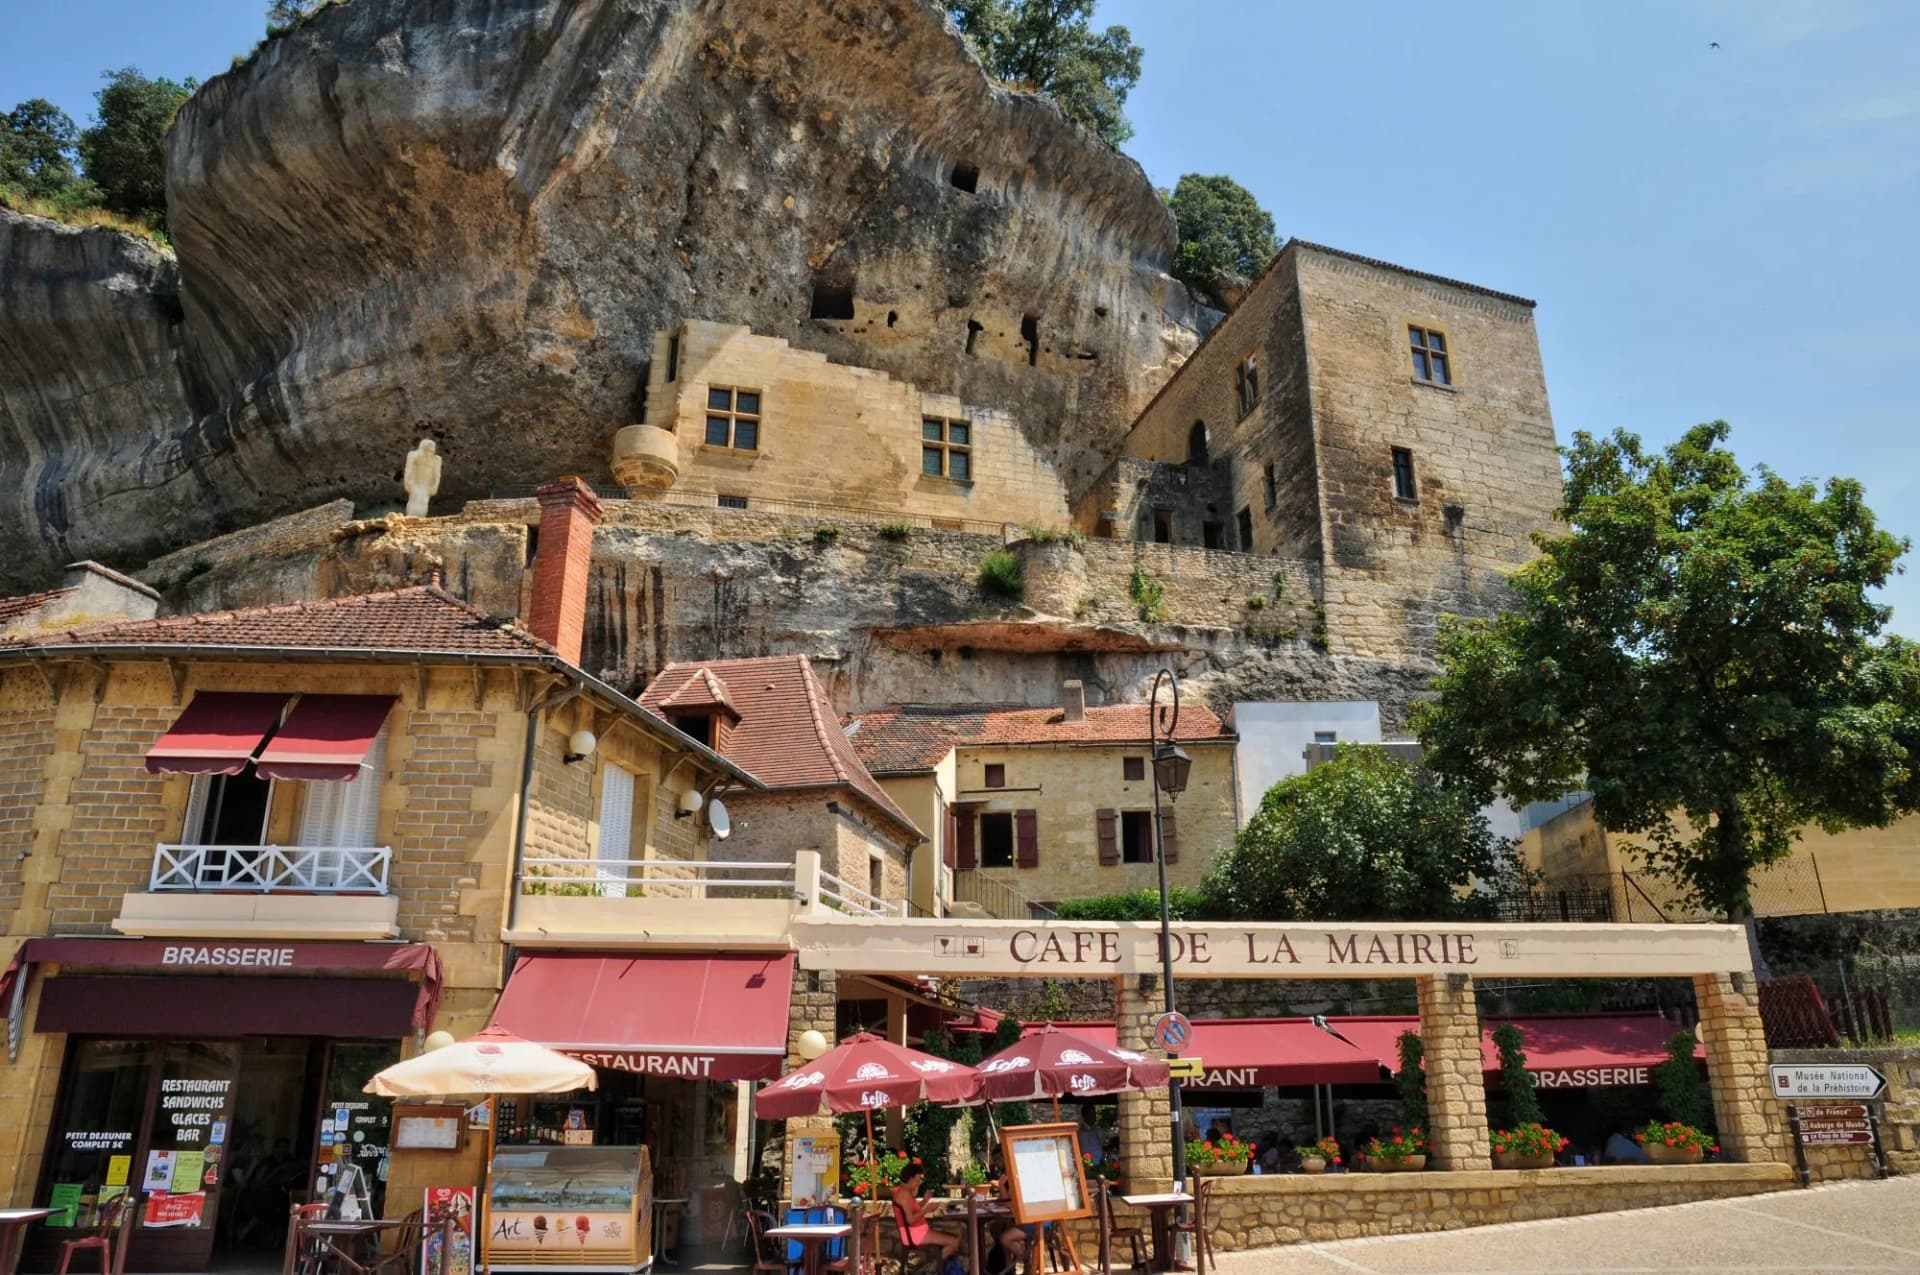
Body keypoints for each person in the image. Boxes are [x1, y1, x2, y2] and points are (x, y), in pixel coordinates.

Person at [891, 1163, 963, 1262]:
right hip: (915, 1234)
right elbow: (910, 1220)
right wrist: (926, 1210)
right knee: (954, 1242)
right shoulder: (904, 1194)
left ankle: (936, 1267)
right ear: (910, 1178)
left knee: (954, 1238)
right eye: (917, 1180)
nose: (919, 1183)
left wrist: (925, 1201)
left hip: (917, 1232)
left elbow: (911, 1209)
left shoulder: (903, 1191)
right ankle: (933, 1267)